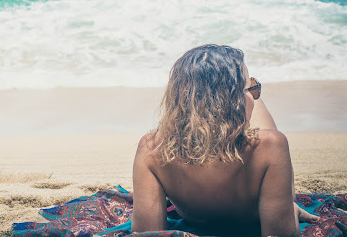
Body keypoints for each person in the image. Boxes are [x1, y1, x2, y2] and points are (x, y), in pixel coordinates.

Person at [131, 44, 318, 236]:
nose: (252, 97)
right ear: (231, 101)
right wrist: (290, 211)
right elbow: (281, 233)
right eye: (250, 89)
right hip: (251, 215)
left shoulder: (151, 148)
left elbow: (146, 233)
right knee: (267, 135)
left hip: (192, 213)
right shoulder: (270, 145)